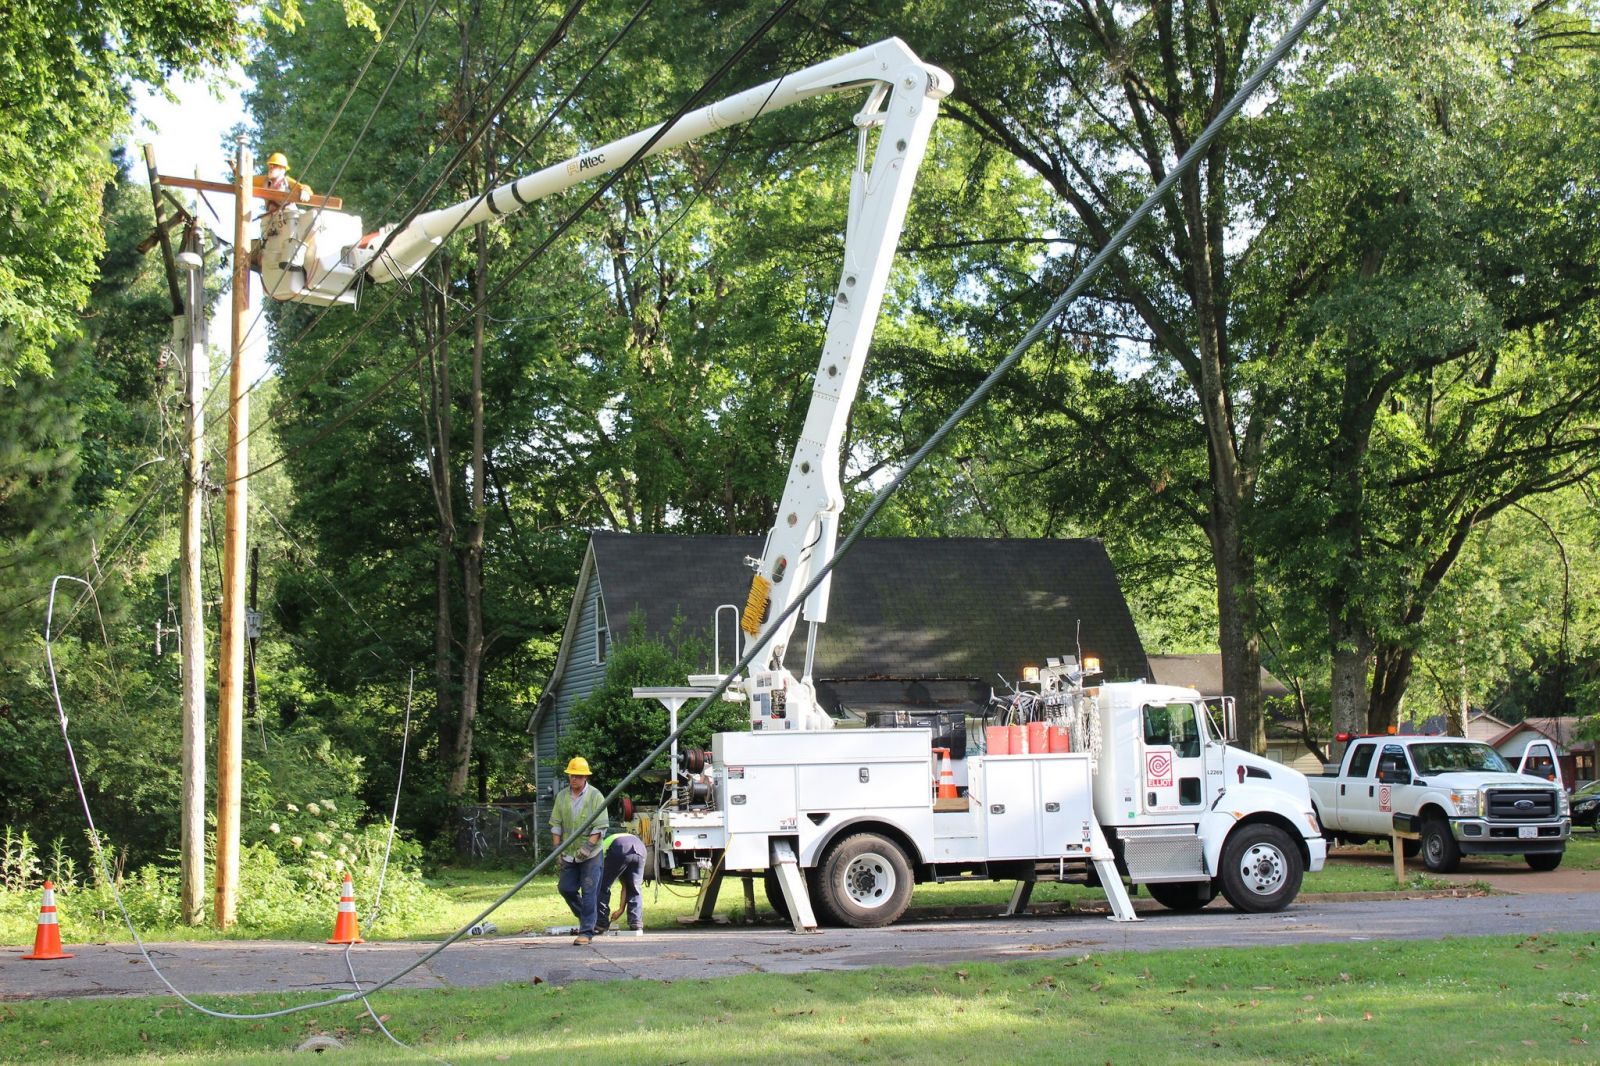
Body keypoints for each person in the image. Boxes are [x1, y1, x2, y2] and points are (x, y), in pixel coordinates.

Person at [549, 756, 606, 945]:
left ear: (585, 777)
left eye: (578, 776)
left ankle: (586, 932)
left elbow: (600, 826)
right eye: (572, 776)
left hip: (592, 854)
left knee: (589, 891)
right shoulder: (562, 797)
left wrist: (588, 846)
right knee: (565, 888)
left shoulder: (596, 796)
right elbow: (556, 824)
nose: (574, 779)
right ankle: (590, 919)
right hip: (569, 853)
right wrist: (557, 849)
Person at [595, 832, 646, 934]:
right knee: (635, 887)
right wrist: (620, 909)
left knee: (602, 886)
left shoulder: (601, 848)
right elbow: (625, 886)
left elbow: (598, 868)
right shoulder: (615, 839)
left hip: (619, 846)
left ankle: (601, 923)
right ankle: (636, 923)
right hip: (640, 848)